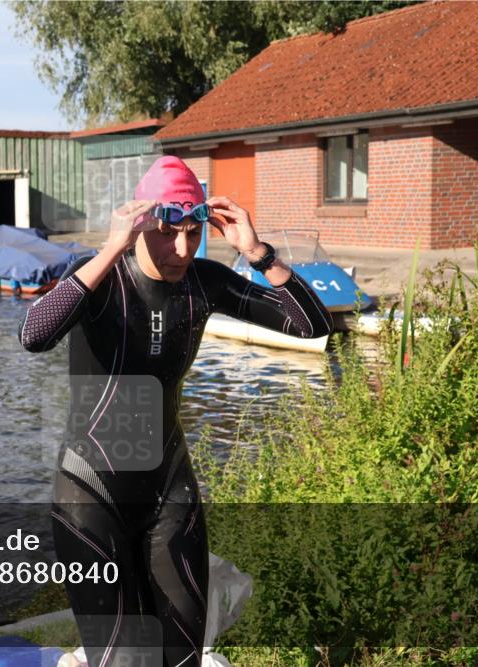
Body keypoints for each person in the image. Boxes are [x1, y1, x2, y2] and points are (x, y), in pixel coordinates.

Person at [19, 156, 333, 666]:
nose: (183, 250)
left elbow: (311, 325)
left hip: (169, 488)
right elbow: (34, 334)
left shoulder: (203, 283)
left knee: (184, 656)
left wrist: (257, 251)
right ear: (141, 224)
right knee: (126, 661)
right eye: (168, 233)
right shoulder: (99, 280)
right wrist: (110, 247)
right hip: (91, 494)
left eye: (193, 233)